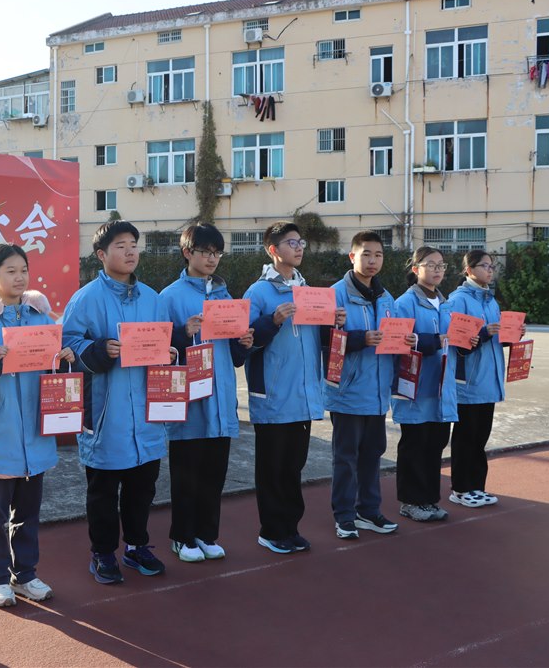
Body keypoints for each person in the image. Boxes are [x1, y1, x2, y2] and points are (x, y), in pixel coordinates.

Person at [0, 244, 75, 608]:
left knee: (28, 514)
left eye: (23, 270)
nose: (19, 277)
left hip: (35, 433)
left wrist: (64, 358)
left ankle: (25, 575)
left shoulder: (41, 317)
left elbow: (52, 368)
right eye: (10, 271)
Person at [62, 220, 175, 584]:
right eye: (121, 245)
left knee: (143, 488)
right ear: (101, 254)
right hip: (106, 414)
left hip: (146, 413)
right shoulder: (85, 299)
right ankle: (103, 553)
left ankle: (137, 546)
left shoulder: (153, 298)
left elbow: (163, 342)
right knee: (103, 491)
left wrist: (169, 353)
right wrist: (97, 349)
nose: (130, 252)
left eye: (133, 245)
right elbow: (67, 346)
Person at [243, 222, 345, 554]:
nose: (299, 248)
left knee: (293, 467)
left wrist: (334, 323)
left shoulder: (309, 291)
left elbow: (319, 341)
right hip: (274, 397)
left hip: (304, 395)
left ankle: (290, 527)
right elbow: (245, 343)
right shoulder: (257, 293)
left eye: (301, 242)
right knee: (272, 468)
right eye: (291, 243)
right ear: (273, 250)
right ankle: (271, 531)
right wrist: (271, 321)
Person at [160, 223, 254, 563]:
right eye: (205, 252)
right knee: (186, 472)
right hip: (188, 398)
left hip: (221, 396)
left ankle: (206, 533)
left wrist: (244, 343)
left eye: (217, 253)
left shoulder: (226, 297)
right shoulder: (169, 296)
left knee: (215, 472)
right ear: (188, 253)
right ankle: (182, 537)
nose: (212, 259)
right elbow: (159, 347)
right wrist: (183, 333)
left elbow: (235, 356)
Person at [325, 230, 415, 540]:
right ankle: (344, 515)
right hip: (348, 391)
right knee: (346, 457)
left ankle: (369, 510)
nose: (373, 260)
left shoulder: (386, 297)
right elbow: (324, 342)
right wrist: (360, 339)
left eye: (378, 255)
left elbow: (393, 338)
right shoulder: (335, 295)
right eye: (366, 254)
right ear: (352, 256)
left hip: (377, 392)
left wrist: (406, 340)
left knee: (373, 453)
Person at [444, 250, 523, 508]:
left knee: (480, 438)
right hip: (469, 382)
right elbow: (458, 342)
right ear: (469, 270)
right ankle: (460, 489)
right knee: (466, 437)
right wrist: (485, 333)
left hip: (489, 380)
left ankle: (476, 486)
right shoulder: (458, 300)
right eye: (484, 266)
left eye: (491, 266)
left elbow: (495, 339)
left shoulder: (491, 300)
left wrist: (512, 334)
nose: (490, 270)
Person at [391, 247, 458, 522]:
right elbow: (399, 341)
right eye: (430, 264)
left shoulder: (447, 304)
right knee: (414, 445)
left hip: (441, 388)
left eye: (441, 265)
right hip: (416, 388)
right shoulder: (404, 304)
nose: (437, 270)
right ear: (415, 268)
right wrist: (431, 341)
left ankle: (429, 499)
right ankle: (410, 501)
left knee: (435, 444)